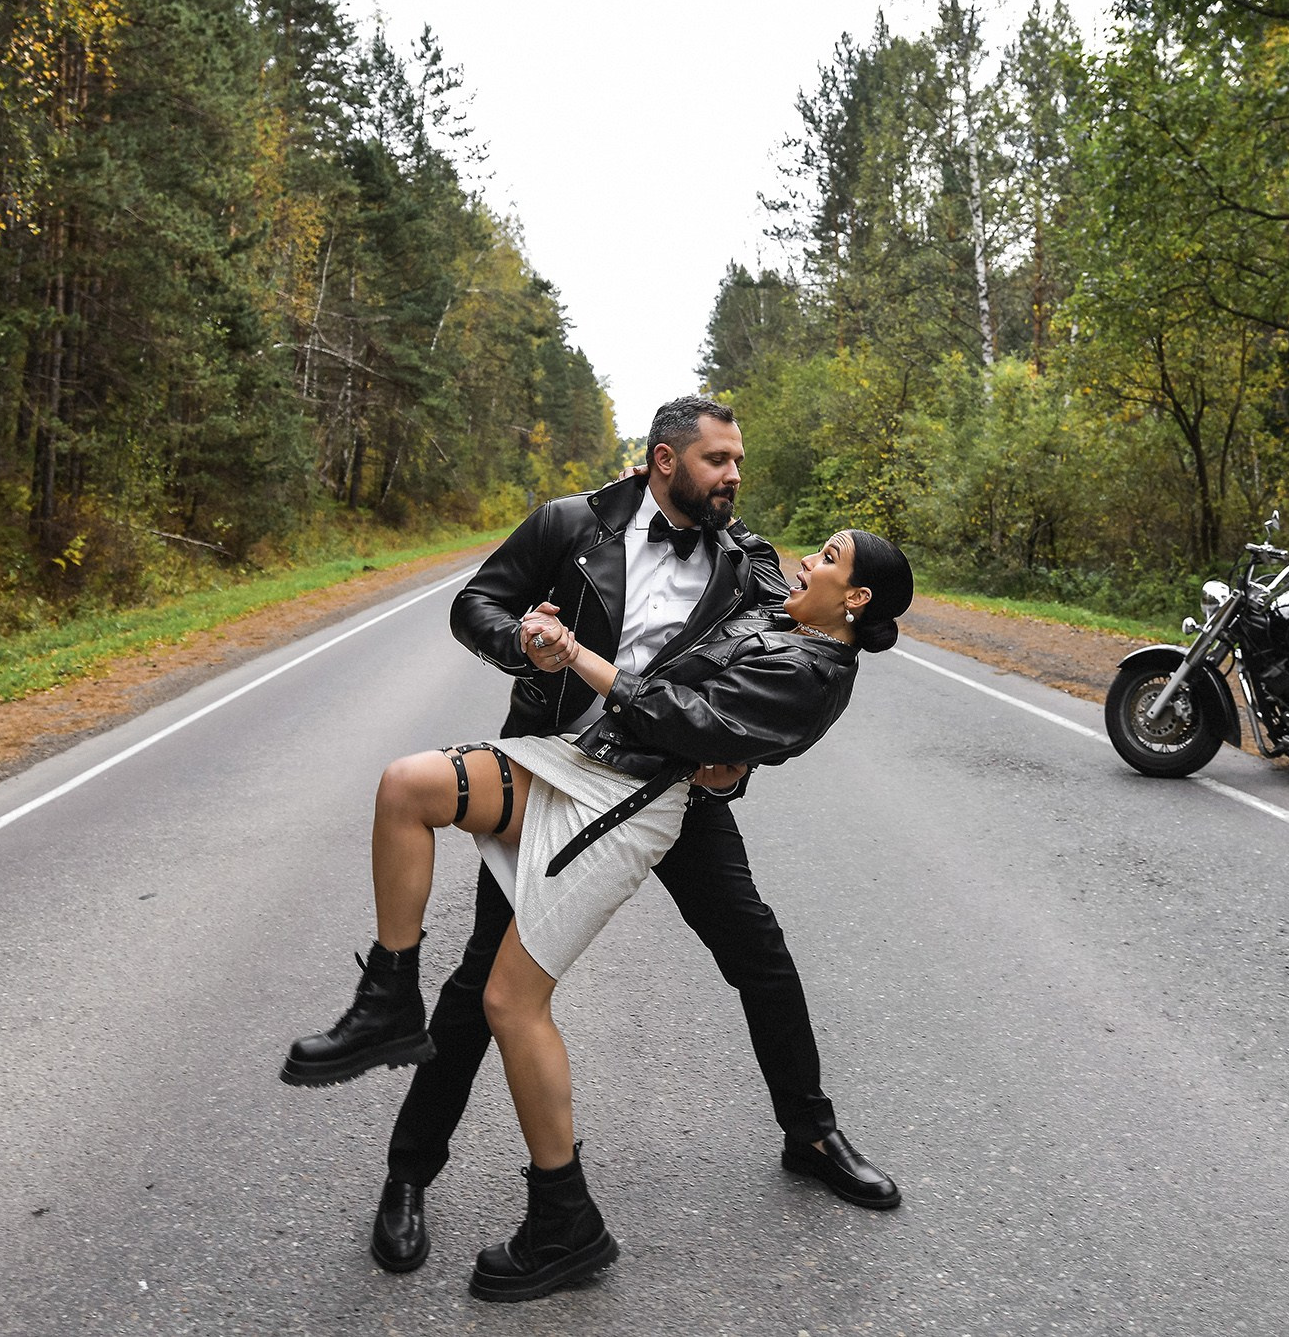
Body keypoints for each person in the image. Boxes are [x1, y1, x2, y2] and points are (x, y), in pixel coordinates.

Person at [286, 521, 917, 1300]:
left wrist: (729, 772)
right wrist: (529, 641)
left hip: (670, 792)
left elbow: (730, 718)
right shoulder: (581, 523)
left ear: (853, 593)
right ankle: (408, 1174)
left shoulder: (747, 577)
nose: (730, 480)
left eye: (734, 466)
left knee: (759, 954)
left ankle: (811, 1132)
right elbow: (479, 603)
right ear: (662, 461)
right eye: (715, 461)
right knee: (481, 984)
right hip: (559, 765)